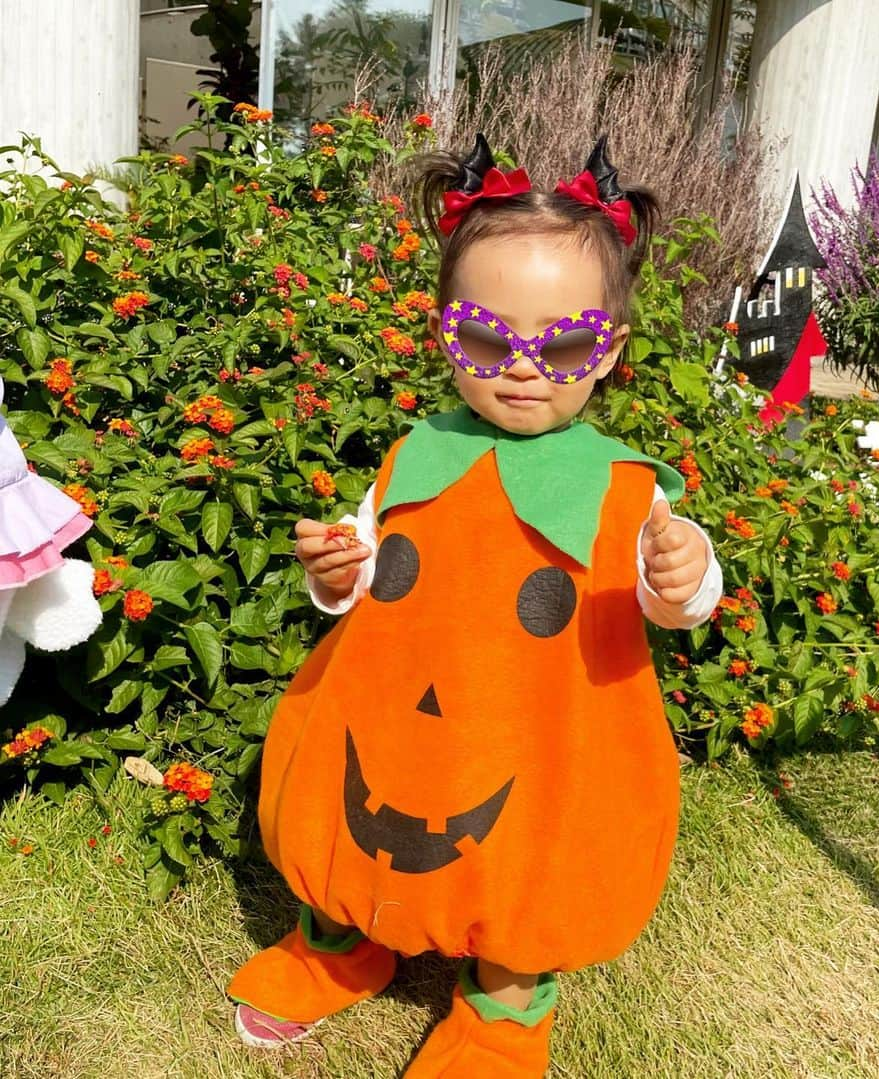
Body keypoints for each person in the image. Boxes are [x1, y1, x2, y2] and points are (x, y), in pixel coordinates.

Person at [227, 133, 724, 1076]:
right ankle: (340, 944)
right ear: (447, 332)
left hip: (539, 741)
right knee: (348, 833)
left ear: (609, 349)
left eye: (566, 342)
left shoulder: (623, 489)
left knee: (533, 864)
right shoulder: (416, 453)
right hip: (390, 712)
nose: (523, 367)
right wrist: (336, 570)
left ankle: (503, 1007)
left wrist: (683, 573)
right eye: (488, 338)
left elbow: (680, 600)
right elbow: (364, 563)